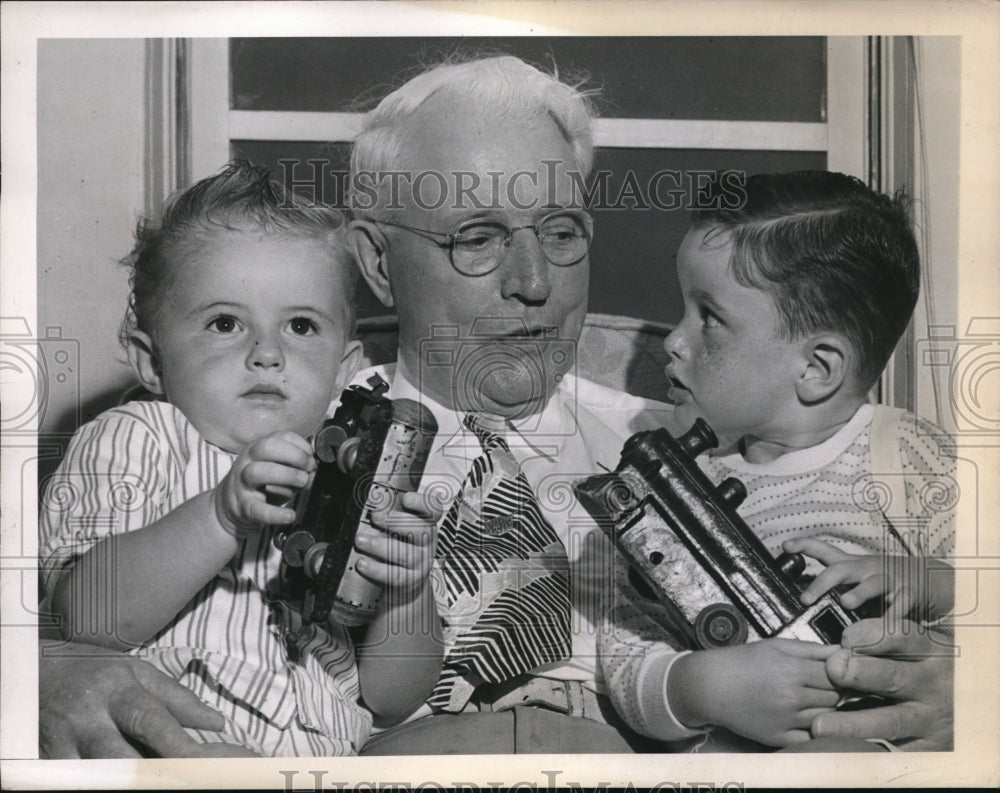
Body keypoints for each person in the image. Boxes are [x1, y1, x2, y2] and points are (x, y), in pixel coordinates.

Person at [37, 58, 957, 758]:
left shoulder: (700, 436)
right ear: (374, 260)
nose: (534, 283)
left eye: (561, 232)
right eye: (477, 237)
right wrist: (51, 666)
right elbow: (95, 584)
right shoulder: (273, 426)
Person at [38, 162, 442, 757]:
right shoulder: (137, 436)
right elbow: (88, 617)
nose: (267, 354)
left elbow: (392, 697)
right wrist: (222, 516)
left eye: (301, 326)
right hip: (172, 748)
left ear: (345, 366)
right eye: (225, 323)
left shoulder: (356, 477)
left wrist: (407, 590)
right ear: (151, 361)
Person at [599, 171, 956, 752]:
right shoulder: (678, 490)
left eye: (708, 317)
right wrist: (696, 689)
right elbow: (622, 646)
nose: (673, 340)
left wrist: (933, 581)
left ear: (816, 369)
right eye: (683, 308)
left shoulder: (911, 458)